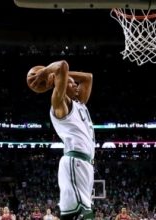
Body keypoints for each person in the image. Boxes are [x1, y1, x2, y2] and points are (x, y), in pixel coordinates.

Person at [27, 60, 95, 220]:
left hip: (85, 165)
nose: (75, 85)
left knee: (75, 215)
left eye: (74, 84)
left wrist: (57, 76)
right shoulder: (60, 104)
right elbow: (62, 66)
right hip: (75, 162)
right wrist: (47, 74)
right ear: (61, 85)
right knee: (83, 216)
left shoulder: (80, 104)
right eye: (70, 83)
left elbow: (88, 78)